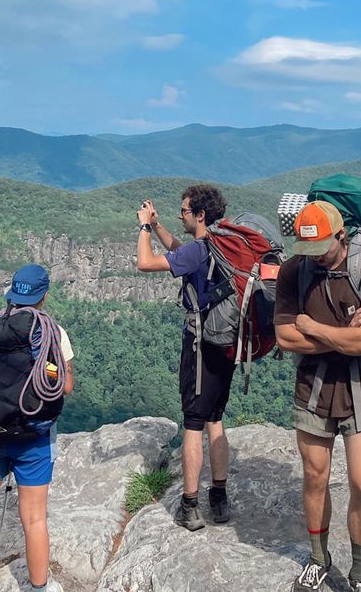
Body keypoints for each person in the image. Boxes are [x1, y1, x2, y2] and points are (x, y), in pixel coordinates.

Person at [274, 201, 361, 592]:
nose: (315, 257)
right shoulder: (294, 270)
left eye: (322, 247)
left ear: (341, 236)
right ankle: (318, 557)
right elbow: (285, 337)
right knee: (314, 477)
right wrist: (343, 334)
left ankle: (359, 573)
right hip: (313, 390)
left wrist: (313, 327)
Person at [0, 264, 74, 592]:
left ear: (12, 291)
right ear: (43, 296)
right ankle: (38, 588)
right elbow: (64, 387)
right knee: (34, 520)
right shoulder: (53, 332)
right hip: (32, 437)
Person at [136, 184, 234, 531]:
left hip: (200, 345)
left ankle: (190, 504)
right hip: (227, 343)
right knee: (215, 418)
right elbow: (181, 252)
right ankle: (219, 498)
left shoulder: (199, 250)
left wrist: (145, 227)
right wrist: (162, 225)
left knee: (194, 423)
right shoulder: (221, 244)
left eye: (184, 210)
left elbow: (145, 263)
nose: (181, 215)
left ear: (200, 215)